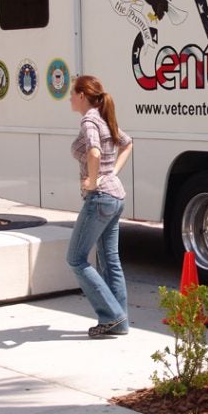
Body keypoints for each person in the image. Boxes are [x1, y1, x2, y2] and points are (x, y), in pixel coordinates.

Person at [67, 75, 133, 338]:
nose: (70, 98)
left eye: (72, 93)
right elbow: (127, 143)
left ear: (82, 95)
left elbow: (94, 152)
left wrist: (93, 182)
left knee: (76, 258)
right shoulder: (104, 117)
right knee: (110, 260)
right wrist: (111, 173)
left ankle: (112, 317)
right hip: (115, 196)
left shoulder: (90, 120)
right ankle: (120, 321)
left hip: (101, 198)